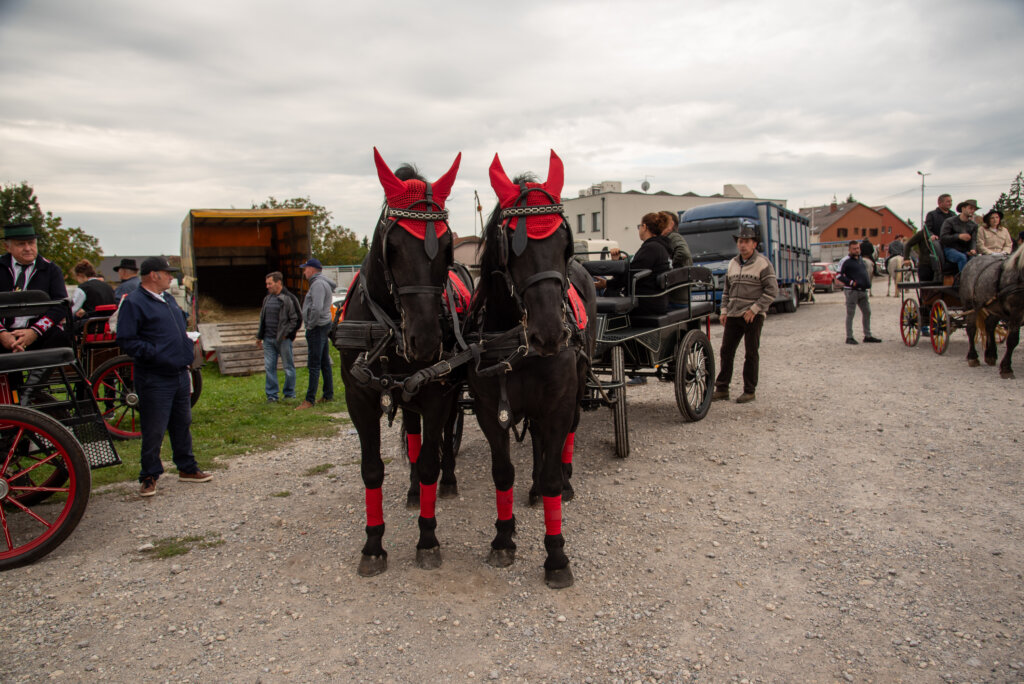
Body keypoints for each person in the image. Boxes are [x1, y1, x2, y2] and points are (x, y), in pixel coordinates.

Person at [116, 256, 211, 497]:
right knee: (154, 428)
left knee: (182, 423)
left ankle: (187, 468)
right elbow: (127, 340)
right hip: (154, 376)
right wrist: (156, 353)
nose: (171, 277)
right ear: (153, 275)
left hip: (179, 373)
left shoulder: (167, 299)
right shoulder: (134, 302)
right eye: (167, 273)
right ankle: (149, 475)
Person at [712, 222, 778, 403]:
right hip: (733, 314)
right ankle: (722, 388)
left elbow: (772, 291)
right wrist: (723, 310)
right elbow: (726, 290)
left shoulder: (763, 264)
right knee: (726, 351)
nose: (743, 244)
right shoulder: (732, 263)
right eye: (741, 241)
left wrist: (755, 309)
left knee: (751, 353)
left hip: (752, 316)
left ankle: (749, 390)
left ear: (754, 244)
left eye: (747, 241)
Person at [0, 222, 69, 354]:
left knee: (59, 337)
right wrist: (2, 334)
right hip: (4, 333)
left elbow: (61, 305)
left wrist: (34, 332)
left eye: (31, 243)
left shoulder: (51, 270)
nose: (28, 248)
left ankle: (37, 375)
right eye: (21, 244)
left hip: (40, 334)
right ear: (7, 247)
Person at [256, 271, 302, 403]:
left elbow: (297, 319)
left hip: (283, 340)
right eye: (267, 284)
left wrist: (287, 334)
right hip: (268, 340)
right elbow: (262, 319)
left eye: (270, 283)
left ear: (278, 283)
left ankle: (289, 393)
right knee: (269, 367)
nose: (267, 286)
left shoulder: (289, 298)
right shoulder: (267, 299)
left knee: (288, 367)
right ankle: (272, 395)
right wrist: (259, 336)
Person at [296, 257, 335, 410]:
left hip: (317, 328)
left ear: (312, 269)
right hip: (322, 326)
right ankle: (328, 394)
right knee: (324, 362)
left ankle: (309, 400)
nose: (304, 272)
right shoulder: (321, 283)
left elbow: (317, 308)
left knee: (314, 364)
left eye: (305, 269)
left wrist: (310, 324)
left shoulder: (317, 284)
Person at [836, 240, 881, 345]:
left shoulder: (861, 259)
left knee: (867, 312)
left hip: (862, 291)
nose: (857, 250)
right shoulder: (845, 261)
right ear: (849, 249)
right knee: (850, 314)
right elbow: (839, 275)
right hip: (851, 291)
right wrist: (851, 282)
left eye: (858, 248)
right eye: (854, 249)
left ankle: (867, 335)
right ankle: (849, 337)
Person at [659, 210, 692, 311]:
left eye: (662, 221)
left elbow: (683, 252)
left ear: (671, 224)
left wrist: (670, 268)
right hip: (680, 297)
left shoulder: (673, 236)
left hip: (676, 298)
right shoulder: (670, 238)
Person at [939, 199, 979, 273]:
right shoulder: (950, 221)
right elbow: (943, 238)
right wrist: (958, 236)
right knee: (962, 258)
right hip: (951, 249)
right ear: (963, 208)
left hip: (965, 250)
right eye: (970, 208)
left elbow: (973, 240)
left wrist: (973, 249)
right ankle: (963, 281)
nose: (972, 211)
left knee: (976, 260)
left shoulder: (974, 225)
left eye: (974, 209)